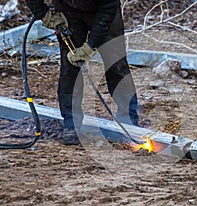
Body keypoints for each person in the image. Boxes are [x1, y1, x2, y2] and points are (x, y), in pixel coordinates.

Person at [25, 0, 139, 145]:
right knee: (70, 66)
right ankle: (72, 123)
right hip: (67, 10)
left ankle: (129, 122)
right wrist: (43, 14)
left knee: (116, 64)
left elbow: (108, 7)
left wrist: (90, 46)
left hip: (104, 11)